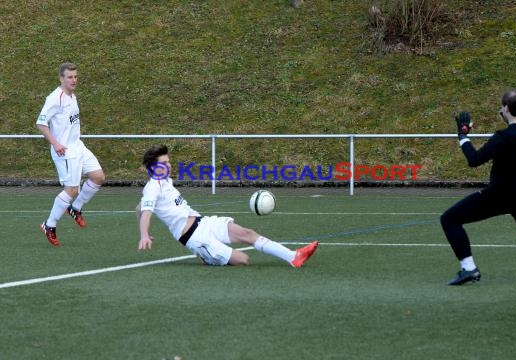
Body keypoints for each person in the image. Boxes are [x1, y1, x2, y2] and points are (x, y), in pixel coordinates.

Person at [441, 89, 516, 285]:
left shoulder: (503, 137)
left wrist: (463, 135)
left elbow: (474, 159)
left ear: (506, 108)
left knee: (449, 218)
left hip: (500, 194)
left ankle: (469, 268)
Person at [135, 144, 319, 267]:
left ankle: (293, 257)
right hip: (195, 237)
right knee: (244, 260)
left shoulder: (165, 181)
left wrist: (142, 229)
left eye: (169, 161)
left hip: (204, 223)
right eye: (165, 162)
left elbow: (139, 208)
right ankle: (207, 256)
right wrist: (143, 234)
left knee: (248, 233)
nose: (170, 164)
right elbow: (146, 212)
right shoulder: (152, 187)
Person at [36, 63, 106, 246]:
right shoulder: (55, 98)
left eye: (75, 76)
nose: (73, 80)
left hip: (78, 146)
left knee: (98, 177)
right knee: (72, 189)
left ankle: (75, 208)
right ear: (61, 78)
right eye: (69, 77)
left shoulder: (72, 96)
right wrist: (56, 143)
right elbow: (41, 123)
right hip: (65, 151)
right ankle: (49, 225)